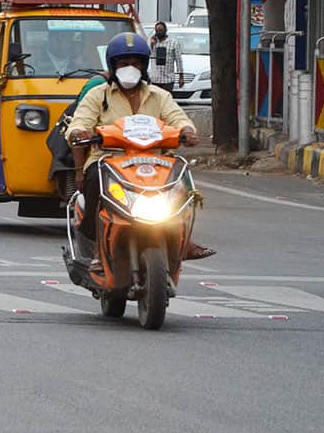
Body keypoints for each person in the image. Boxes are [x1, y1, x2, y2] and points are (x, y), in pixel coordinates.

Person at [66, 33, 215, 265]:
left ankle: (182, 238)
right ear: (112, 66)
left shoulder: (160, 96)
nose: (130, 68)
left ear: (144, 66)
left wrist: (187, 131)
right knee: (94, 182)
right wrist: (79, 132)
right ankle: (98, 247)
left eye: (135, 63)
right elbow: (79, 122)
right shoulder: (98, 95)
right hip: (108, 162)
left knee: (180, 180)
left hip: (154, 163)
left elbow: (178, 118)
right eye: (123, 64)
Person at [147, 21, 184, 92]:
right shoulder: (153, 43)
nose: (159, 32)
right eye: (157, 31)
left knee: (165, 100)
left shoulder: (173, 43)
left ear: (165, 30)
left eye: (161, 30)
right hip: (155, 79)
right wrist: (151, 44)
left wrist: (181, 77)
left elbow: (178, 60)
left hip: (168, 79)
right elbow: (148, 56)